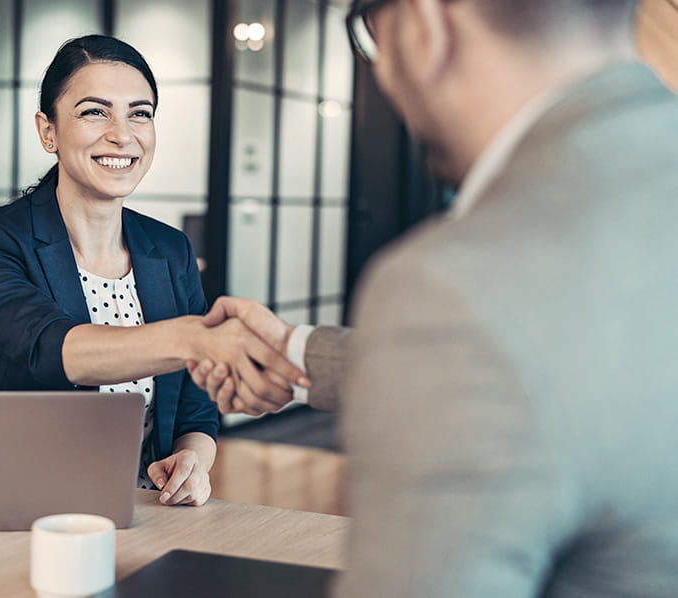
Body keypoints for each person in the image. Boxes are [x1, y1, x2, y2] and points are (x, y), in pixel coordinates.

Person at [190, 0, 678, 595]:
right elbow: (591, 359)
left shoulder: (454, 285)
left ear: (426, 26)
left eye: (370, 35)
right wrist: (293, 352)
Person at [0, 35, 308, 507]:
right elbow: (51, 348)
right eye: (94, 111)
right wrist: (194, 337)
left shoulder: (170, 248)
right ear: (48, 131)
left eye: (139, 113)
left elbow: (196, 406)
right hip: (37, 507)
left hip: (152, 510)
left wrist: (193, 460)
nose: (122, 134)